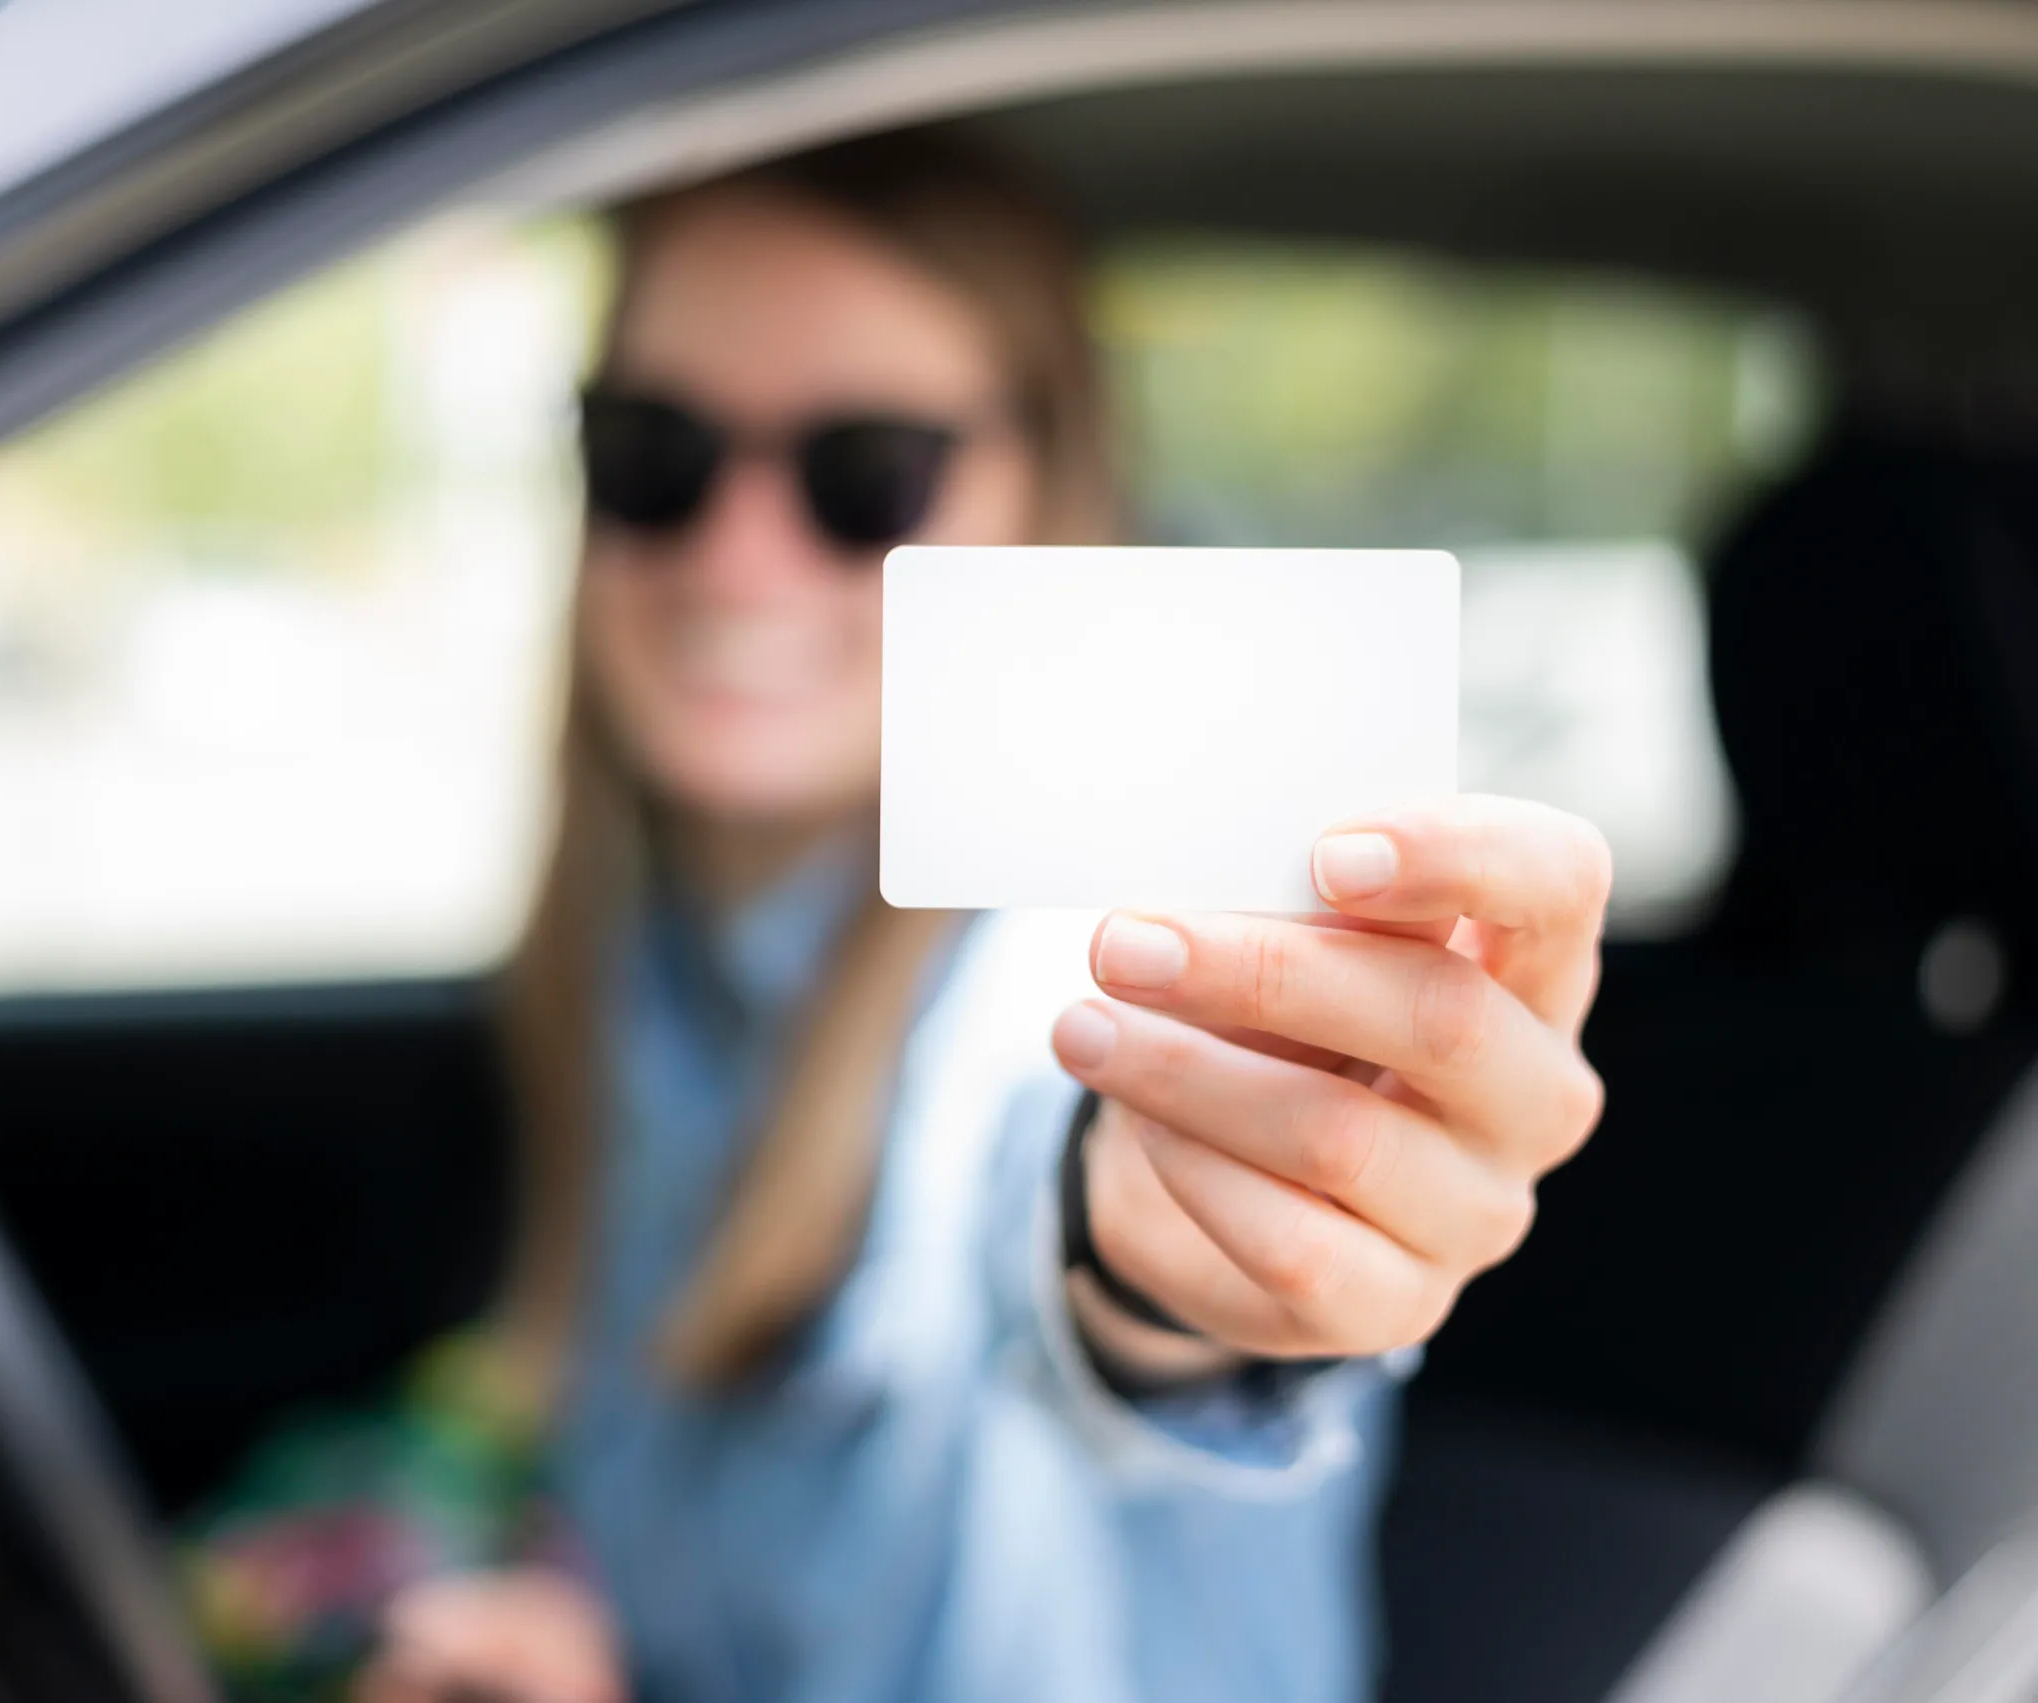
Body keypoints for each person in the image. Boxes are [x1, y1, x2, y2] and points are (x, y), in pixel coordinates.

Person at [350, 130, 1611, 1703]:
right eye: (654, 451)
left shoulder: (1067, 963)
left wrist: (1171, 1248)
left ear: (1043, 494)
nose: (737, 558)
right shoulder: (648, 966)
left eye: (862, 474)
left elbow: (1091, 1201)